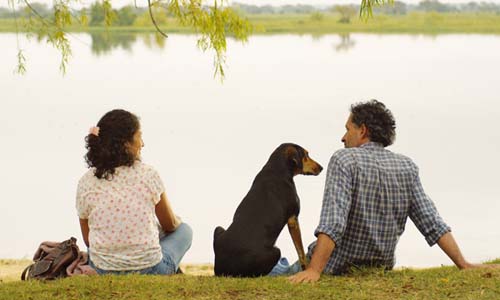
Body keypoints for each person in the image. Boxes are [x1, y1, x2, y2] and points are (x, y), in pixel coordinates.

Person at [284, 100, 499, 283]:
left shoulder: (344, 159)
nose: (343, 137)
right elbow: (431, 222)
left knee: (272, 268)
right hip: (380, 266)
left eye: (348, 129)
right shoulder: (407, 166)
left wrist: (314, 270)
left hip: (335, 266)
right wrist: (463, 264)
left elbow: (334, 221)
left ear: (363, 131)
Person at [76, 109, 192, 275]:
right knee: (185, 230)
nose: (142, 144)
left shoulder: (85, 182)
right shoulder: (148, 174)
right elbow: (170, 225)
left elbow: (88, 240)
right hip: (152, 270)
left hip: (102, 270)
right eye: (139, 136)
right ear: (126, 144)